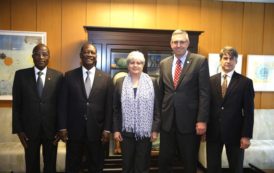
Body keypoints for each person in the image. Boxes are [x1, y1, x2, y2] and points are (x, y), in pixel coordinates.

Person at [158, 29, 210, 173]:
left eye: (182, 42)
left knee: (189, 162)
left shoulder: (199, 61)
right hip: (167, 121)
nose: (178, 45)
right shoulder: (164, 63)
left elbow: (204, 94)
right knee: (164, 161)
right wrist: (158, 120)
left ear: (187, 43)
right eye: (175, 42)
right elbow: (160, 93)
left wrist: (202, 120)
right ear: (171, 44)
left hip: (190, 123)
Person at [58, 42, 113, 173]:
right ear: (81, 55)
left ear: (96, 56)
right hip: (74, 131)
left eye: (92, 52)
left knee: (96, 165)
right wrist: (62, 127)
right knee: (73, 165)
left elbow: (109, 106)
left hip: (97, 131)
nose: (89, 54)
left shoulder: (106, 78)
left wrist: (107, 129)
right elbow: (62, 104)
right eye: (86, 52)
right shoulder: (69, 76)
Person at [12, 43, 63, 173]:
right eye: (37, 54)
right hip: (29, 131)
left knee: (50, 166)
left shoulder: (58, 76)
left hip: (51, 131)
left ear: (49, 57)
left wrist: (60, 128)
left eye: (44, 54)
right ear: (32, 56)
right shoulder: (21, 76)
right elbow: (16, 105)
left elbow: (61, 105)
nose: (41, 57)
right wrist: (19, 130)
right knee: (31, 165)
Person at [206, 46, 255, 173]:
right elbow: (206, 106)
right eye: (225, 58)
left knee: (236, 168)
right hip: (213, 132)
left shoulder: (245, 83)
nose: (228, 61)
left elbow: (249, 112)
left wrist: (246, 136)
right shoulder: (210, 81)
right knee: (212, 167)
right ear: (220, 60)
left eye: (231, 59)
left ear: (236, 61)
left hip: (236, 133)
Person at [113, 51, 160, 173]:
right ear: (128, 65)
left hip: (146, 133)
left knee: (142, 165)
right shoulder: (120, 82)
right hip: (126, 132)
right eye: (132, 62)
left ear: (143, 65)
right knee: (127, 164)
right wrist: (116, 129)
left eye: (138, 63)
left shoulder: (153, 82)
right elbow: (116, 109)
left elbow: (157, 108)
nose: (135, 65)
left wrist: (155, 130)